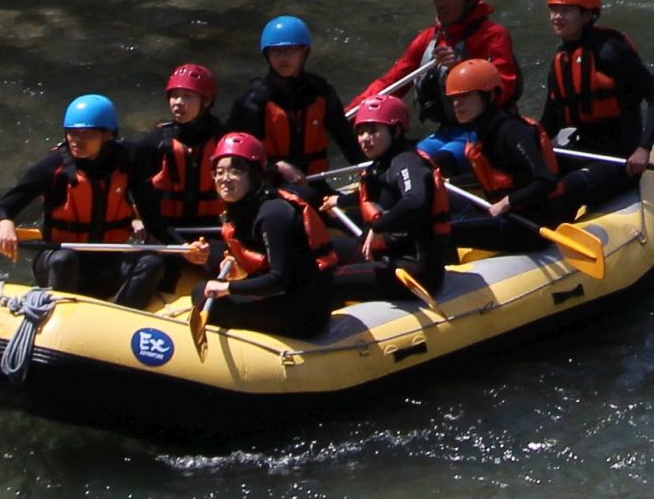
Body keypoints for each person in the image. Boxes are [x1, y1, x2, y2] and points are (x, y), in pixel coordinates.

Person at [0, 93, 176, 307]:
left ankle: (121, 322)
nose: (76, 140)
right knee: (65, 259)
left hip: (107, 265)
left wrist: (184, 247)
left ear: (107, 135)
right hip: (58, 263)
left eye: (87, 134)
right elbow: (1, 209)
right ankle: (60, 318)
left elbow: (153, 220)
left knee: (151, 262)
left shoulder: (127, 163)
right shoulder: (53, 168)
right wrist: (5, 223)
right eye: (72, 133)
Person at [540, 0, 654, 210]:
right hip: (584, 149)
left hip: (621, 158)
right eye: (554, 10)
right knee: (530, 177)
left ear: (587, 16)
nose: (557, 17)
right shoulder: (562, 59)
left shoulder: (611, 51)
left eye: (567, 11)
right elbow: (550, 121)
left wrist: (643, 148)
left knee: (561, 192)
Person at [195, 131, 335, 338]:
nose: (224, 179)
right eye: (219, 172)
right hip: (288, 296)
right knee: (201, 286)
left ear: (254, 175)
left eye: (235, 171)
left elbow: (279, 279)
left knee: (200, 294)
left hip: (303, 314)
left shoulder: (273, 214)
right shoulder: (243, 207)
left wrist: (228, 288)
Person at [363, 0, 521, 129]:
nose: (441, 3)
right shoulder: (429, 38)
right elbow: (391, 83)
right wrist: (352, 112)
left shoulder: (493, 35)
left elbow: (504, 89)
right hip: (449, 130)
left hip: (489, 128)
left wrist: (459, 69)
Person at [430, 59, 569, 248]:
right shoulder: (483, 131)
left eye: (465, 96)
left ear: (489, 96)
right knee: (437, 204)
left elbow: (546, 179)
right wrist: (449, 183)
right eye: (453, 98)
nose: (457, 104)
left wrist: (508, 202)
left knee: (443, 231)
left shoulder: (510, 131)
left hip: (531, 223)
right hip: (507, 216)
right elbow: (495, 175)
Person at [326, 94, 452, 301]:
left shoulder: (406, 162)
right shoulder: (383, 163)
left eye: (373, 131)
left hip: (412, 269)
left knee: (325, 279)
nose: (365, 138)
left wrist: (378, 226)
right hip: (388, 253)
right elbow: (376, 195)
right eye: (361, 132)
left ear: (396, 131)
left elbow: (415, 200)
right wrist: (338, 201)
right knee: (319, 249)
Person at [228, 16, 358, 180]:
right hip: (269, 186)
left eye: (290, 51)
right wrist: (274, 168)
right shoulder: (252, 102)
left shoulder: (321, 92)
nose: (283, 58)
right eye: (276, 52)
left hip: (315, 182)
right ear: (267, 55)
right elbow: (236, 158)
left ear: (304, 52)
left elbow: (347, 141)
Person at [136, 62, 225, 232]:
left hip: (212, 228)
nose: (178, 102)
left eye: (187, 96)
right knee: (150, 261)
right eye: (174, 96)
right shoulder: (154, 142)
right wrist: (136, 219)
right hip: (165, 229)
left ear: (205, 101)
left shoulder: (224, 139)